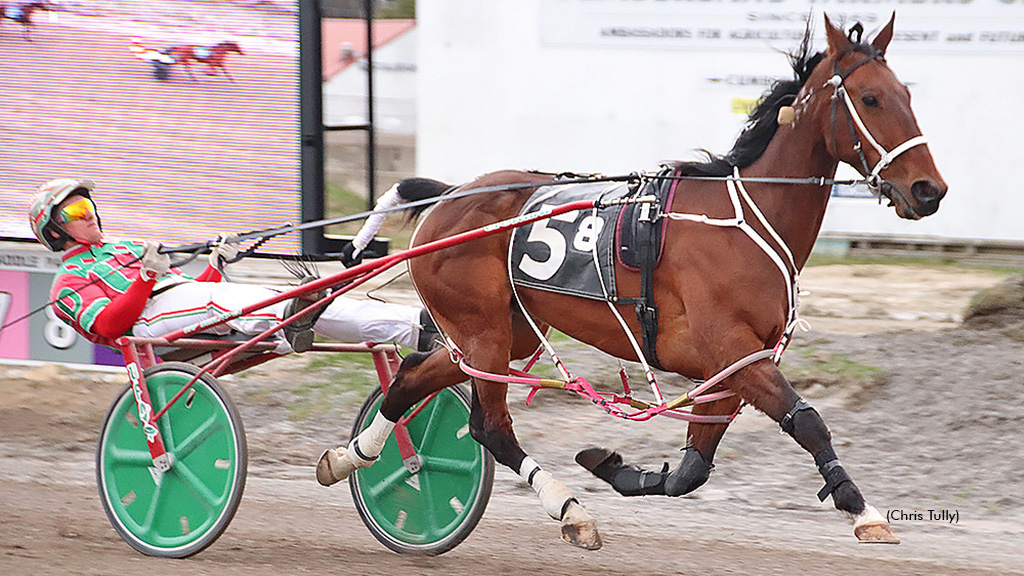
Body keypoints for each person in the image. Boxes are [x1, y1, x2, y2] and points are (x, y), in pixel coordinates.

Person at [29, 178, 438, 353]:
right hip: (147, 326)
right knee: (238, 302)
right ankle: (291, 315)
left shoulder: (128, 245)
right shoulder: (67, 282)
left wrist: (215, 261)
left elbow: (196, 291)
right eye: (75, 211)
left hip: (181, 305)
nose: (87, 214)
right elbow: (109, 327)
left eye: (87, 205)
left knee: (296, 304)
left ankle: (414, 327)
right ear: (56, 232)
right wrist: (145, 277)